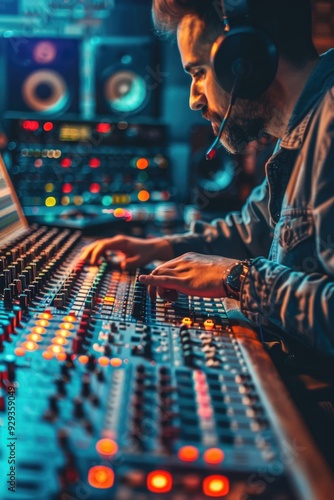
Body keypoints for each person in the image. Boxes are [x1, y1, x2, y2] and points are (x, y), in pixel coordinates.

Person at [82, 0, 334, 466]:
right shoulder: (300, 133)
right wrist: (163, 246)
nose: (195, 97)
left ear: (246, 59)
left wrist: (238, 280)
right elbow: (253, 227)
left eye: (198, 72)